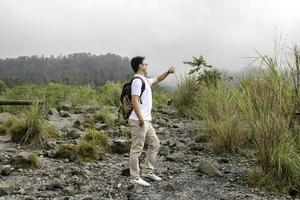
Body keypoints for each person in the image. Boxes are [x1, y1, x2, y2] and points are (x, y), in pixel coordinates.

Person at [128, 56, 175, 186]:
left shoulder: (145, 80)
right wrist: (141, 119)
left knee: (155, 143)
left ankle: (147, 171)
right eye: (145, 64)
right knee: (137, 149)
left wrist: (168, 72)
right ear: (140, 66)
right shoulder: (137, 81)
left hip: (146, 120)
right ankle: (134, 177)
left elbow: (157, 79)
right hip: (139, 120)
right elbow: (134, 100)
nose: (147, 66)